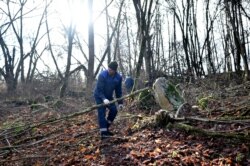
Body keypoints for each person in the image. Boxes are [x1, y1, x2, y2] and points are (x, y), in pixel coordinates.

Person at [94, 61, 123, 140]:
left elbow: (118, 90)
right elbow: (99, 90)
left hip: (109, 97)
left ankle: (105, 128)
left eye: (111, 70)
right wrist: (103, 99)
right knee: (102, 113)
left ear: (115, 70)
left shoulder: (118, 77)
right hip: (99, 96)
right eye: (108, 69)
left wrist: (120, 102)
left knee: (114, 110)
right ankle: (103, 134)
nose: (109, 71)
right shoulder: (102, 75)